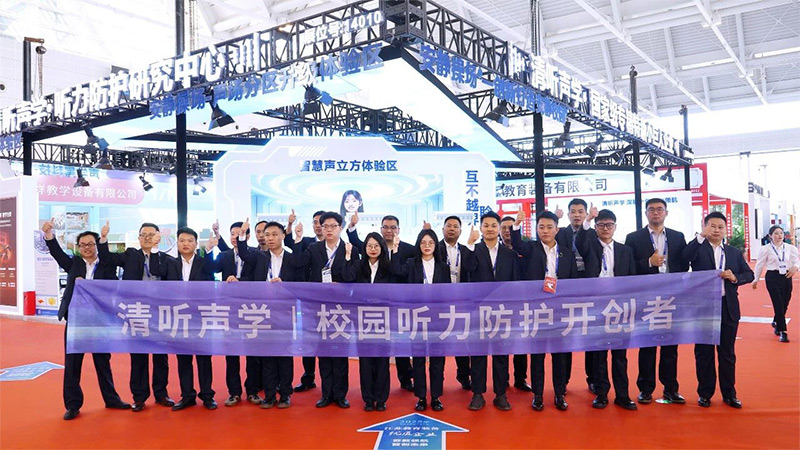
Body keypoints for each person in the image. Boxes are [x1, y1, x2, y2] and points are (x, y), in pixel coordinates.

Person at [41, 220, 130, 420]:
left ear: (97, 245)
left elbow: (112, 287)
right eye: (82, 245)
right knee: (73, 363)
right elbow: (57, 253)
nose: (87, 248)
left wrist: (92, 286)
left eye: (90, 244)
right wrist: (49, 235)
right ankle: (72, 405)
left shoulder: (107, 265)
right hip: (76, 320)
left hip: (100, 320)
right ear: (78, 247)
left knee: (102, 362)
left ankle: (111, 399)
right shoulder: (73, 263)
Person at [98, 221, 174, 412]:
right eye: (144, 235)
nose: (147, 238)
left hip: (158, 312)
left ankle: (161, 393)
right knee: (138, 356)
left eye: (151, 235)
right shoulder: (131, 254)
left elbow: (166, 277)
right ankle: (139, 397)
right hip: (136, 312)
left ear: (158, 237)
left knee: (160, 356)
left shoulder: (166, 259)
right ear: (138, 237)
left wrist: (155, 251)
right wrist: (104, 238)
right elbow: (107, 259)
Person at [683, 212, 754, 408]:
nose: (716, 230)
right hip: (703, 307)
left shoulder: (733, 252)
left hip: (727, 306)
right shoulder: (698, 248)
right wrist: (700, 237)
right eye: (712, 226)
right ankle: (705, 393)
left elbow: (749, 274)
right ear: (705, 227)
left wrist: (734, 277)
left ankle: (729, 394)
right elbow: (684, 257)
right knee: (703, 352)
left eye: (720, 227)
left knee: (727, 353)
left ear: (725, 230)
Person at [511, 210, 577, 411]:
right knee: (537, 355)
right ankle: (538, 395)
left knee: (560, 355)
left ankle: (559, 394)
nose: (545, 231)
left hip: (560, 310)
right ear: (536, 229)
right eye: (541, 227)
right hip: (536, 309)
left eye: (549, 227)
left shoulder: (567, 253)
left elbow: (574, 281)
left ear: (557, 229)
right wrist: (516, 225)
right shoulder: (531, 248)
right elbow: (518, 245)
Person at [624, 198, 689, 405]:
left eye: (660, 209)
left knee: (670, 345)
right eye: (651, 209)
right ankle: (645, 389)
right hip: (647, 296)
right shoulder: (633, 238)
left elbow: (684, 265)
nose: (655, 213)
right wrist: (648, 262)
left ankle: (670, 389)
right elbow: (628, 267)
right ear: (646, 213)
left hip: (671, 296)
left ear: (666, 213)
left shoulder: (677, 237)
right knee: (647, 345)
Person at [237, 219, 302, 409]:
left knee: (284, 355)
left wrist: (285, 285)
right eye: (267, 235)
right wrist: (242, 234)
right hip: (262, 313)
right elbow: (243, 253)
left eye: (274, 234)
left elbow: (300, 283)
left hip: (284, 313)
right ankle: (270, 394)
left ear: (283, 236)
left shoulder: (292, 259)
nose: (270, 238)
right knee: (267, 356)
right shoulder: (259, 257)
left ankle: (285, 394)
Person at [348, 213, 415, 392]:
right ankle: (372, 390)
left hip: (399, 305)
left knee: (400, 343)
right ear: (381, 229)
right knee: (374, 350)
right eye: (386, 227)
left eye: (393, 227)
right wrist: (352, 226)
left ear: (398, 229)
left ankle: (405, 378)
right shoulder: (373, 247)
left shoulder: (408, 249)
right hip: (371, 311)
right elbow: (356, 242)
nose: (389, 230)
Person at [292, 211, 351, 408]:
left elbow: (353, 277)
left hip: (341, 309)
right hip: (319, 308)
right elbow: (298, 264)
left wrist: (342, 284)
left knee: (340, 352)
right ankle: (326, 394)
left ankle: (340, 395)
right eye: (325, 226)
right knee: (324, 351)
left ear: (340, 228)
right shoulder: (313, 248)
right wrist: (298, 239)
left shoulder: (348, 249)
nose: (329, 230)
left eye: (333, 226)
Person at [391, 229, 451, 412]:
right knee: (418, 359)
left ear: (435, 246)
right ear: (418, 245)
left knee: (437, 360)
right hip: (416, 317)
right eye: (423, 242)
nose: (427, 246)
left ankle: (436, 397)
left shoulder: (443, 267)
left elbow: (447, 292)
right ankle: (421, 397)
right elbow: (396, 271)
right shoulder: (411, 264)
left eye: (430, 243)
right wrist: (395, 249)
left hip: (437, 319)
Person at [583, 209, 637, 410]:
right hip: (596, 306)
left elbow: (632, 278)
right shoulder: (589, 246)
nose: (605, 228)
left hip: (619, 307)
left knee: (620, 354)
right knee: (599, 353)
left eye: (609, 225)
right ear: (595, 228)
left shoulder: (625, 250)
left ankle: (623, 395)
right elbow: (580, 241)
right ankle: (601, 394)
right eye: (601, 225)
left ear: (615, 227)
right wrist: (588, 219)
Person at [159, 227, 217, 411]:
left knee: (203, 358)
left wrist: (210, 250)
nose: (185, 244)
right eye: (182, 240)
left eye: (190, 240)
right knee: (183, 359)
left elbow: (212, 283)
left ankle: (207, 395)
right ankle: (187, 396)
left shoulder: (204, 263)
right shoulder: (170, 263)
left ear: (196, 243)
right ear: (177, 243)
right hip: (179, 317)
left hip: (200, 317)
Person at [466, 212, 519, 411]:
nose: (490, 229)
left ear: (499, 229)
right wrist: (469, 245)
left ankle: (500, 394)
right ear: (481, 228)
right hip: (478, 310)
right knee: (478, 354)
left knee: (501, 354)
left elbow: (515, 282)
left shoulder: (509, 254)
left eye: (493, 225)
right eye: (486, 225)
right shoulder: (473, 249)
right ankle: (478, 394)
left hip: (502, 311)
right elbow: (468, 271)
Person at [207, 222, 262, 407]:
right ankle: (234, 392)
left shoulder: (255, 255)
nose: (235, 237)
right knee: (231, 354)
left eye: (240, 234)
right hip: (229, 309)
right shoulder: (224, 255)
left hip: (251, 309)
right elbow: (211, 269)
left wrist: (240, 281)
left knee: (252, 353)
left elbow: (256, 279)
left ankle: (252, 391)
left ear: (247, 236)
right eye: (232, 234)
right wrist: (208, 250)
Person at [343, 232, 391, 412]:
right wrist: (348, 256)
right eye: (369, 246)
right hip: (362, 318)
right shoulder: (358, 264)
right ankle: (368, 399)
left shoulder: (387, 267)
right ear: (364, 248)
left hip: (384, 318)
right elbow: (347, 278)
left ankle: (381, 399)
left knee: (382, 359)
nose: (373, 249)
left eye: (376, 246)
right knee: (366, 359)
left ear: (382, 248)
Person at [556, 199, 598, 393]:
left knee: (591, 334)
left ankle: (593, 379)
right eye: (573, 211)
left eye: (581, 211)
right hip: (566, 288)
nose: (577, 215)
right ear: (568, 214)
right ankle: (562, 381)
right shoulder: (561, 233)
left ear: (586, 213)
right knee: (566, 334)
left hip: (589, 286)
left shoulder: (593, 232)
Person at [286, 210, 325, 393]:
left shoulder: (339, 246)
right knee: (309, 339)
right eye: (315, 222)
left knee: (326, 340)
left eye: (321, 223)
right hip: (309, 300)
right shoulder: (307, 243)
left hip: (331, 302)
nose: (318, 226)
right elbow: (290, 245)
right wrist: (291, 226)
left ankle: (328, 382)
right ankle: (308, 377)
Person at [439, 216, 478, 390]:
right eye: (449, 226)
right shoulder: (435, 248)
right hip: (440, 303)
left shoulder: (466, 249)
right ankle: (437, 380)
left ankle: (463, 375)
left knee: (462, 340)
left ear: (460, 231)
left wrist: (470, 244)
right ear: (443, 229)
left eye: (455, 226)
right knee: (439, 341)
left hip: (461, 303)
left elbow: (471, 268)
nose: (452, 229)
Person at [500, 215, 531, 392]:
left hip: (522, 301)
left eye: (511, 227)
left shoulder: (525, 248)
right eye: (504, 228)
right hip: (501, 303)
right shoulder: (495, 249)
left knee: (521, 341)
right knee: (503, 341)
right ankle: (502, 378)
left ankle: (520, 378)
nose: (507, 231)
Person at [753, 225, 798, 343]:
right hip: (772, 277)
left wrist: (795, 267)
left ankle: (776, 320)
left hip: (787, 276)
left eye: (781, 233)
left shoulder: (790, 248)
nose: (779, 236)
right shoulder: (765, 249)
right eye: (776, 233)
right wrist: (755, 279)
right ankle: (783, 331)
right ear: (770, 236)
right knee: (778, 303)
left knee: (785, 302)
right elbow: (759, 264)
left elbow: (796, 261)